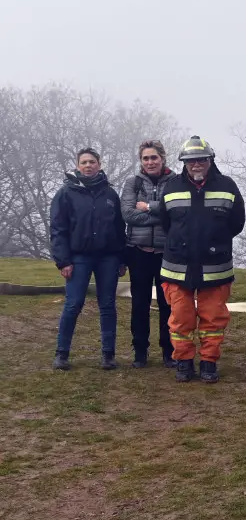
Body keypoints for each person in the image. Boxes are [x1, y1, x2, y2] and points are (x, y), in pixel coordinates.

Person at [155, 136, 246, 383]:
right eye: (190, 160)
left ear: (210, 160)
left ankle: (209, 363)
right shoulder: (171, 187)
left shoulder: (227, 186)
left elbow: (237, 223)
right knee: (180, 319)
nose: (196, 164)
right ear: (184, 162)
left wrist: (215, 241)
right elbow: (165, 222)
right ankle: (183, 362)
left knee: (213, 320)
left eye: (201, 160)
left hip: (215, 268)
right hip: (177, 268)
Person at [50, 148, 128, 371]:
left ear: (99, 165)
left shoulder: (111, 194)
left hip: (108, 258)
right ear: (77, 166)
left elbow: (119, 228)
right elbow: (58, 229)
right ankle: (61, 354)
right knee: (73, 304)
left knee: (108, 305)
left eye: (92, 161)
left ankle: (108, 355)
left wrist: (122, 259)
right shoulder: (65, 193)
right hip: (78, 257)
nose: (88, 165)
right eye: (84, 162)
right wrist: (63, 261)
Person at [120, 140, 174, 368]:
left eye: (154, 157)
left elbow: (178, 211)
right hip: (138, 252)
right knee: (139, 304)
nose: (150, 162)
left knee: (168, 305)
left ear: (162, 158)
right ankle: (140, 351)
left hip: (167, 253)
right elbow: (129, 215)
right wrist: (159, 212)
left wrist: (149, 207)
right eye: (145, 158)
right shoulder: (132, 182)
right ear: (141, 161)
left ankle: (168, 351)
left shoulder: (176, 181)